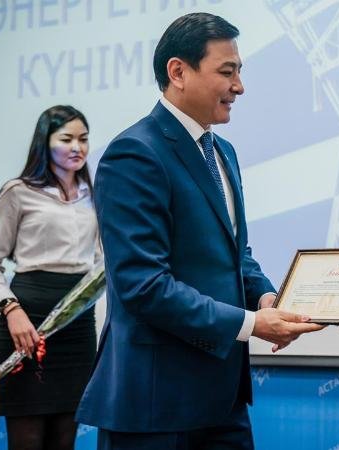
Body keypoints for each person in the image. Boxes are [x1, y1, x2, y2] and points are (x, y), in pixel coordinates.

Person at [75, 12, 323, 450]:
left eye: (240, 71)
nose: (239, 87)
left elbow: (234, 253)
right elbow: (142, 285)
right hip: (156, 404)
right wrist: (251, 324)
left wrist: (266, 297)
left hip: (223, 400)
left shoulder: (222, 151)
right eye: (227, 72)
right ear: (178, 72)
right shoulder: (135, 153)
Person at [0, 105, 101, 450]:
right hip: (25, 326)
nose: (77, 147)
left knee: (64, 440)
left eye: (84, 139)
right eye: (67, 139)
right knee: (27, 441)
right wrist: (12, 310)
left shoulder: (94, 195)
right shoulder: (18, 191)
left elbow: (101, 263)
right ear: (45, 142)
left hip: (77, 330)